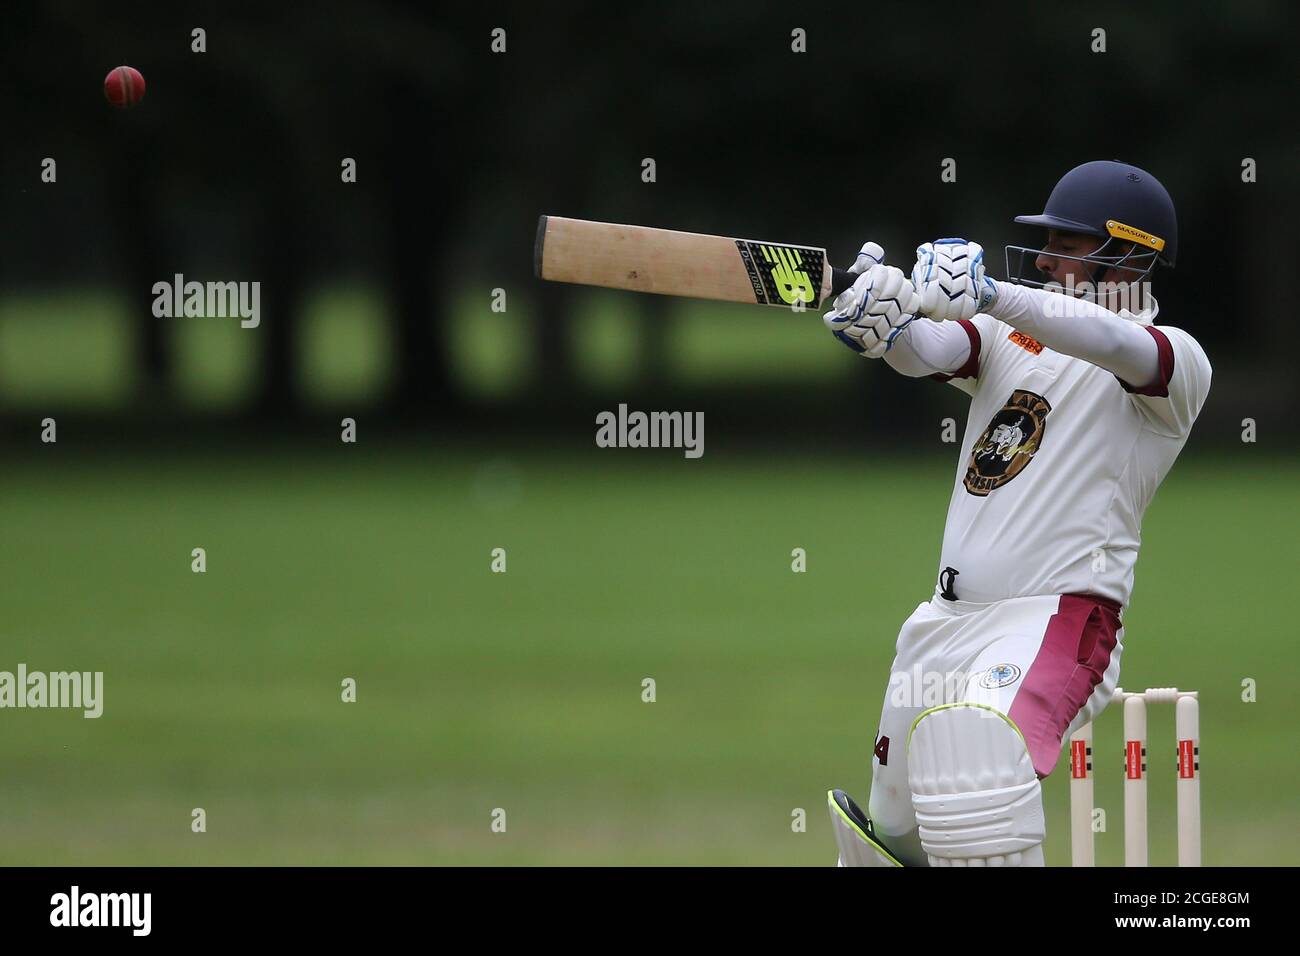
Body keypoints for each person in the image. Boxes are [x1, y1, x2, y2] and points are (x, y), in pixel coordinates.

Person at [822, 160, 1211, 866]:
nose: (1043, 257)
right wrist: (883, 322)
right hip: (943, 622)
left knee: (977, 758)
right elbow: (929, 349)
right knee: (896, 837)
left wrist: (992, 293)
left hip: (1053, 618)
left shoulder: (1176, 365)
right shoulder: (1012, 337)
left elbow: (1110, 340)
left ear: (1126, 255)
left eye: (1066, 244)